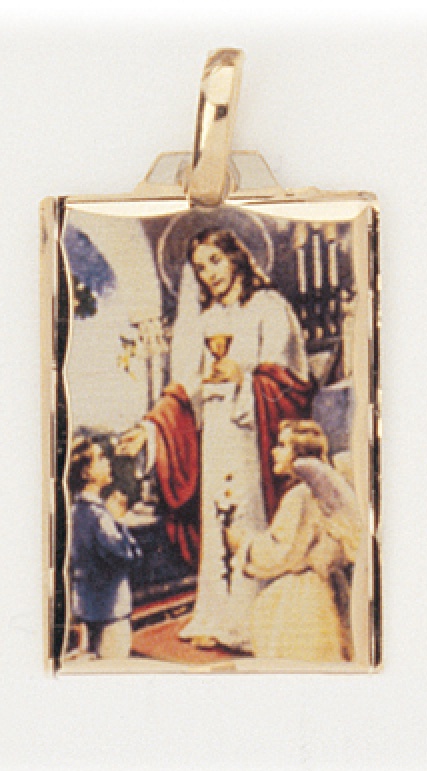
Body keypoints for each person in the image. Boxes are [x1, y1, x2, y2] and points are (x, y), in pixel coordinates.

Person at [117, 227, 314, 652]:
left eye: (215, 261)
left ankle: (250, 616)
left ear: (236, 258)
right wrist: (149, 429)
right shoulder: (208, 321)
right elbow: (188, 388)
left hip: (252, 433)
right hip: (216, 435)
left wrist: (244, 377)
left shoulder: (269, 307)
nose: (209, 274)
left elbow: (288, 381)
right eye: (200, 267)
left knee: (246, 516)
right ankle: (217, 613)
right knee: (216, 521)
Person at [243, 420, 360, 662]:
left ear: (300, 455)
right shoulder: (311, 492)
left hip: (306, 593)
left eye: (282, 445)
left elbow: (284, 554)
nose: (274, 451)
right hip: (326, 585)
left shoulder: (300, 497)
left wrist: (244, 546)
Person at [66, 437, 142, 660]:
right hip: (111, 614)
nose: (108, 462)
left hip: (85, 611)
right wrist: (119, 521)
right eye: (100, 458)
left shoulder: (75, 512)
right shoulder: (101, 517)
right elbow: (129, 556)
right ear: (85, 473)